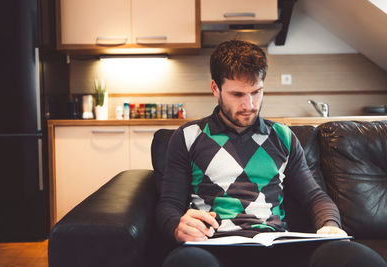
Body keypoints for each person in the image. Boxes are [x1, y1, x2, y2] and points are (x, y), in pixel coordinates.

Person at [156, 40, 387, 267]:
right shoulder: (188, 136)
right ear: (215, 88)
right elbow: (169, 204)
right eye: (237, 94)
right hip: (212, 246)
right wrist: (177, 226)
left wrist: (330, 224)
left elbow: (315, 197)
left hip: (275, 246)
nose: (250, 105)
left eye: (256, 92)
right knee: (185, 262)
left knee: (357, 257)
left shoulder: (283, 137)